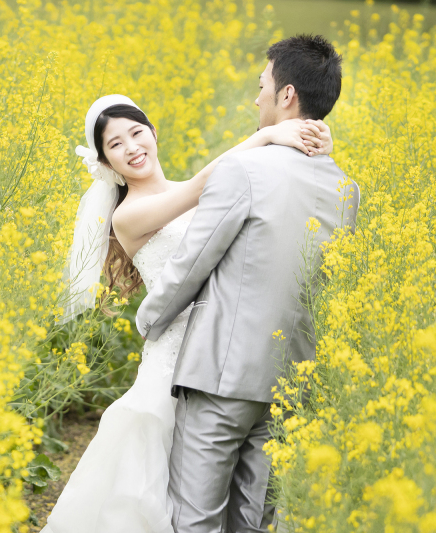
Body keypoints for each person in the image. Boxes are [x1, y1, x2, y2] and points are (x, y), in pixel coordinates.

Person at [44, 88, 332, 532]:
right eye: (115, 145)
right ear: (106, 164)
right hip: (171, 362)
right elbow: (204, 185)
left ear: (154, 132)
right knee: (165, 496)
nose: (131, 148)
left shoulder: (192, 190)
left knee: (236, 488)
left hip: (223, 348)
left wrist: (309, 146)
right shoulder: (129, 216)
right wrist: (272, 133)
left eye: (136, 133)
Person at [135, 35, 360, 532]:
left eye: (261, 85)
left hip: (222, 375)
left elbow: (193, 261)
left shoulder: (244, 168)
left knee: (197, 518)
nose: (255, 96)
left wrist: (149, 320)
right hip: (292, 382)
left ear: (287, 95)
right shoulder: (346, 188)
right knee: (256, 521)